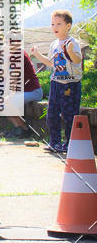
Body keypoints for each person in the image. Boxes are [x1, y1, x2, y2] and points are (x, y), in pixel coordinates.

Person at [30, 9, 82, 154]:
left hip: (71, 83)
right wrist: (37, 54)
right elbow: (50, 62)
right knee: (52, 113)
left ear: (68, 25)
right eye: (53, 24)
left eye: (59, 24)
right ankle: (55, 142)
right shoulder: (54, 44)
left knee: (69, 114)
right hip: (56, 82)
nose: (55, 27)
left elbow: (78, 60)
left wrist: (70, 52)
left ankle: (70, 143)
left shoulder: (73, 42)